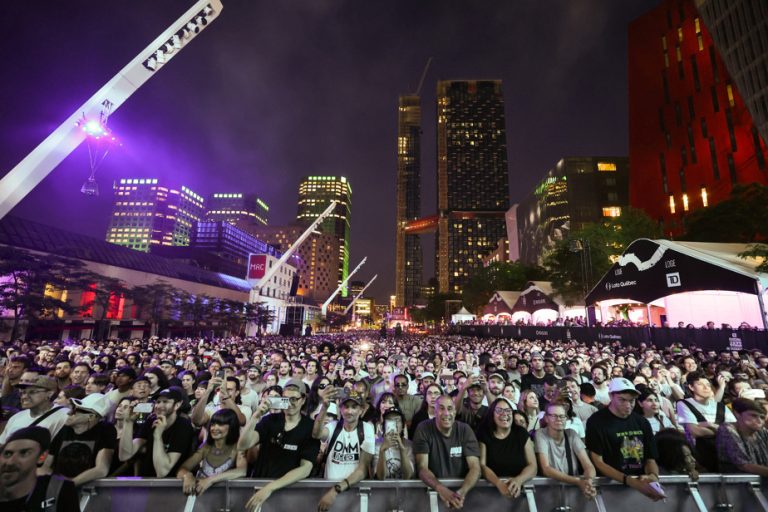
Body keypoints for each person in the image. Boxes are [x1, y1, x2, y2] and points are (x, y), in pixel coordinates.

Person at [238, 378, 319, 512]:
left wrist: (270, 487)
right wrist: (255, 417)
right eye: (286, 399)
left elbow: (305, 468)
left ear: (303, 400)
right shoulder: (270, 421)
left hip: (288, 492)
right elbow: (243, 445)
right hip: (260, 487)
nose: (290, 404)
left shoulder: (310, 427)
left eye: (294, 399)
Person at [585, 378, 665, 502]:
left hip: (639, 482)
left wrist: (653, 476)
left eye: (632, 400)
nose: (628, 405)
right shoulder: (596, 422)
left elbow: (650, 457)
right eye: (622, 400)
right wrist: (629, 481)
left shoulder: (641, 422)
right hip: (610, 485)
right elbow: (598, 462)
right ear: (611, 396)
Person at [413, 394, 481, 510]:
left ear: (455, 412)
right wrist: (441, 489)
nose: (446, 413)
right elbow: (422, 468)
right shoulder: (423, 428)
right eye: (441, 408)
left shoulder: (465, 430)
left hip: (463, 496)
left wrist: (461, 493)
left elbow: (475, 467)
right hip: (432, 492)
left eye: (450, 409)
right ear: (434, 411)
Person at [314, 388, 375, 512]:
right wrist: (324, 407)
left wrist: (335, 490)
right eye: (346, 407)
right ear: (340, 409)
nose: (349, 411)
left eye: (354, 407)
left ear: (361, 410)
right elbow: (316, 434)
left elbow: (362, 470)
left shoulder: (367, 429)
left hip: (353, 495)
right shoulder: (333, 426)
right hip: (328, 496)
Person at [118, 387, 194, 477]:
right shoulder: (151, 421)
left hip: (169, 486)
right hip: (146, 483)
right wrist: (128, 422)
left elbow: (162, 472)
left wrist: (158, 436)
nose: (159, 406)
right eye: (158, 402)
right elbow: (125, 455)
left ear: (177, 405)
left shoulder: (183, 426)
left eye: (165, 402)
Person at [0, 426, 80, 512]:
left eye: (24, 453)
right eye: (7, 454)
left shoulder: (58, 489)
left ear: (42, 457)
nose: (11, 462)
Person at [43, 393, 115, 487]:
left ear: (91, 416)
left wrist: (68, 486)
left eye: (76, 411)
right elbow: (46, 465)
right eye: (71, 409)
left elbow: (101, 469)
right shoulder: (64, 429)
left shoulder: (105, 430)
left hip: (87, 492)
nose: (69, 413)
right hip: (57, 486)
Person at [477, 397, 537, 499]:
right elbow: (482, 466)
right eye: (499, 410)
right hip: (489, 494)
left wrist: (518, 480)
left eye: (508, 410)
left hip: (519, 493)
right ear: (492, 414)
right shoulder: (485, 434)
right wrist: (498, 483)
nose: (504, 414)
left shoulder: (521, 433)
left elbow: (533, 466)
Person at [178, 409, 246, 496]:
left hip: (224, 497)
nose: (214, 428)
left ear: (231, 426)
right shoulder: (205, 447)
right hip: (199, 495)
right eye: (213, 424)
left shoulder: (238, 448)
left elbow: (242, 471)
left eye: (220, 424)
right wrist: (187, 476)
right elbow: (182, 468)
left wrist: (210, 480)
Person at [676, 371, 736, 472]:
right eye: (700, 384)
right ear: (691, 387)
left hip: (725, 454)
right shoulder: (684, 404)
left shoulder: (721, 406)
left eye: (708, 384)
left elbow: (733, 431)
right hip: (700, 456)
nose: (706, 387)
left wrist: (708, 425)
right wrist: (721, 429)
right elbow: (695, 432)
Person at [535, 402, 596, 499]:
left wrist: (588, 481)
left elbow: (588, 465)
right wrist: (578, 481)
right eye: (554, 416)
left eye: (562, 416)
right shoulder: (541, 434)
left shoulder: (572, 434)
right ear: (546, 418)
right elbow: (546, 469)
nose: (559, 419)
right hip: (549, 492)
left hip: (573, 490)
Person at [0, 375, 69, 445]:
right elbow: (2, 444)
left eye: (32, 392)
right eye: (23, 392)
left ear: (50, 393)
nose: (24, 397)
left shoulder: (65, 416)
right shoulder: (16, 417)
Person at [716, 398, 768, 475]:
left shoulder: (762, 431)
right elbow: (743, 465)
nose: (759, 420)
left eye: (762, 417)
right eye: (753, 415)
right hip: (737, 483)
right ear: (737, 414)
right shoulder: (728, 429)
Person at [373, 406, 414, 480]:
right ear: (384, 426)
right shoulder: (376, 445)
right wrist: (382, 451)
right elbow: (380, 477)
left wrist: (402, 449)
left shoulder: (409, 445)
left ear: (403, 425)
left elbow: (408, 476)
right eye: (389, 421)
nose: (394, 424)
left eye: (397, 420)